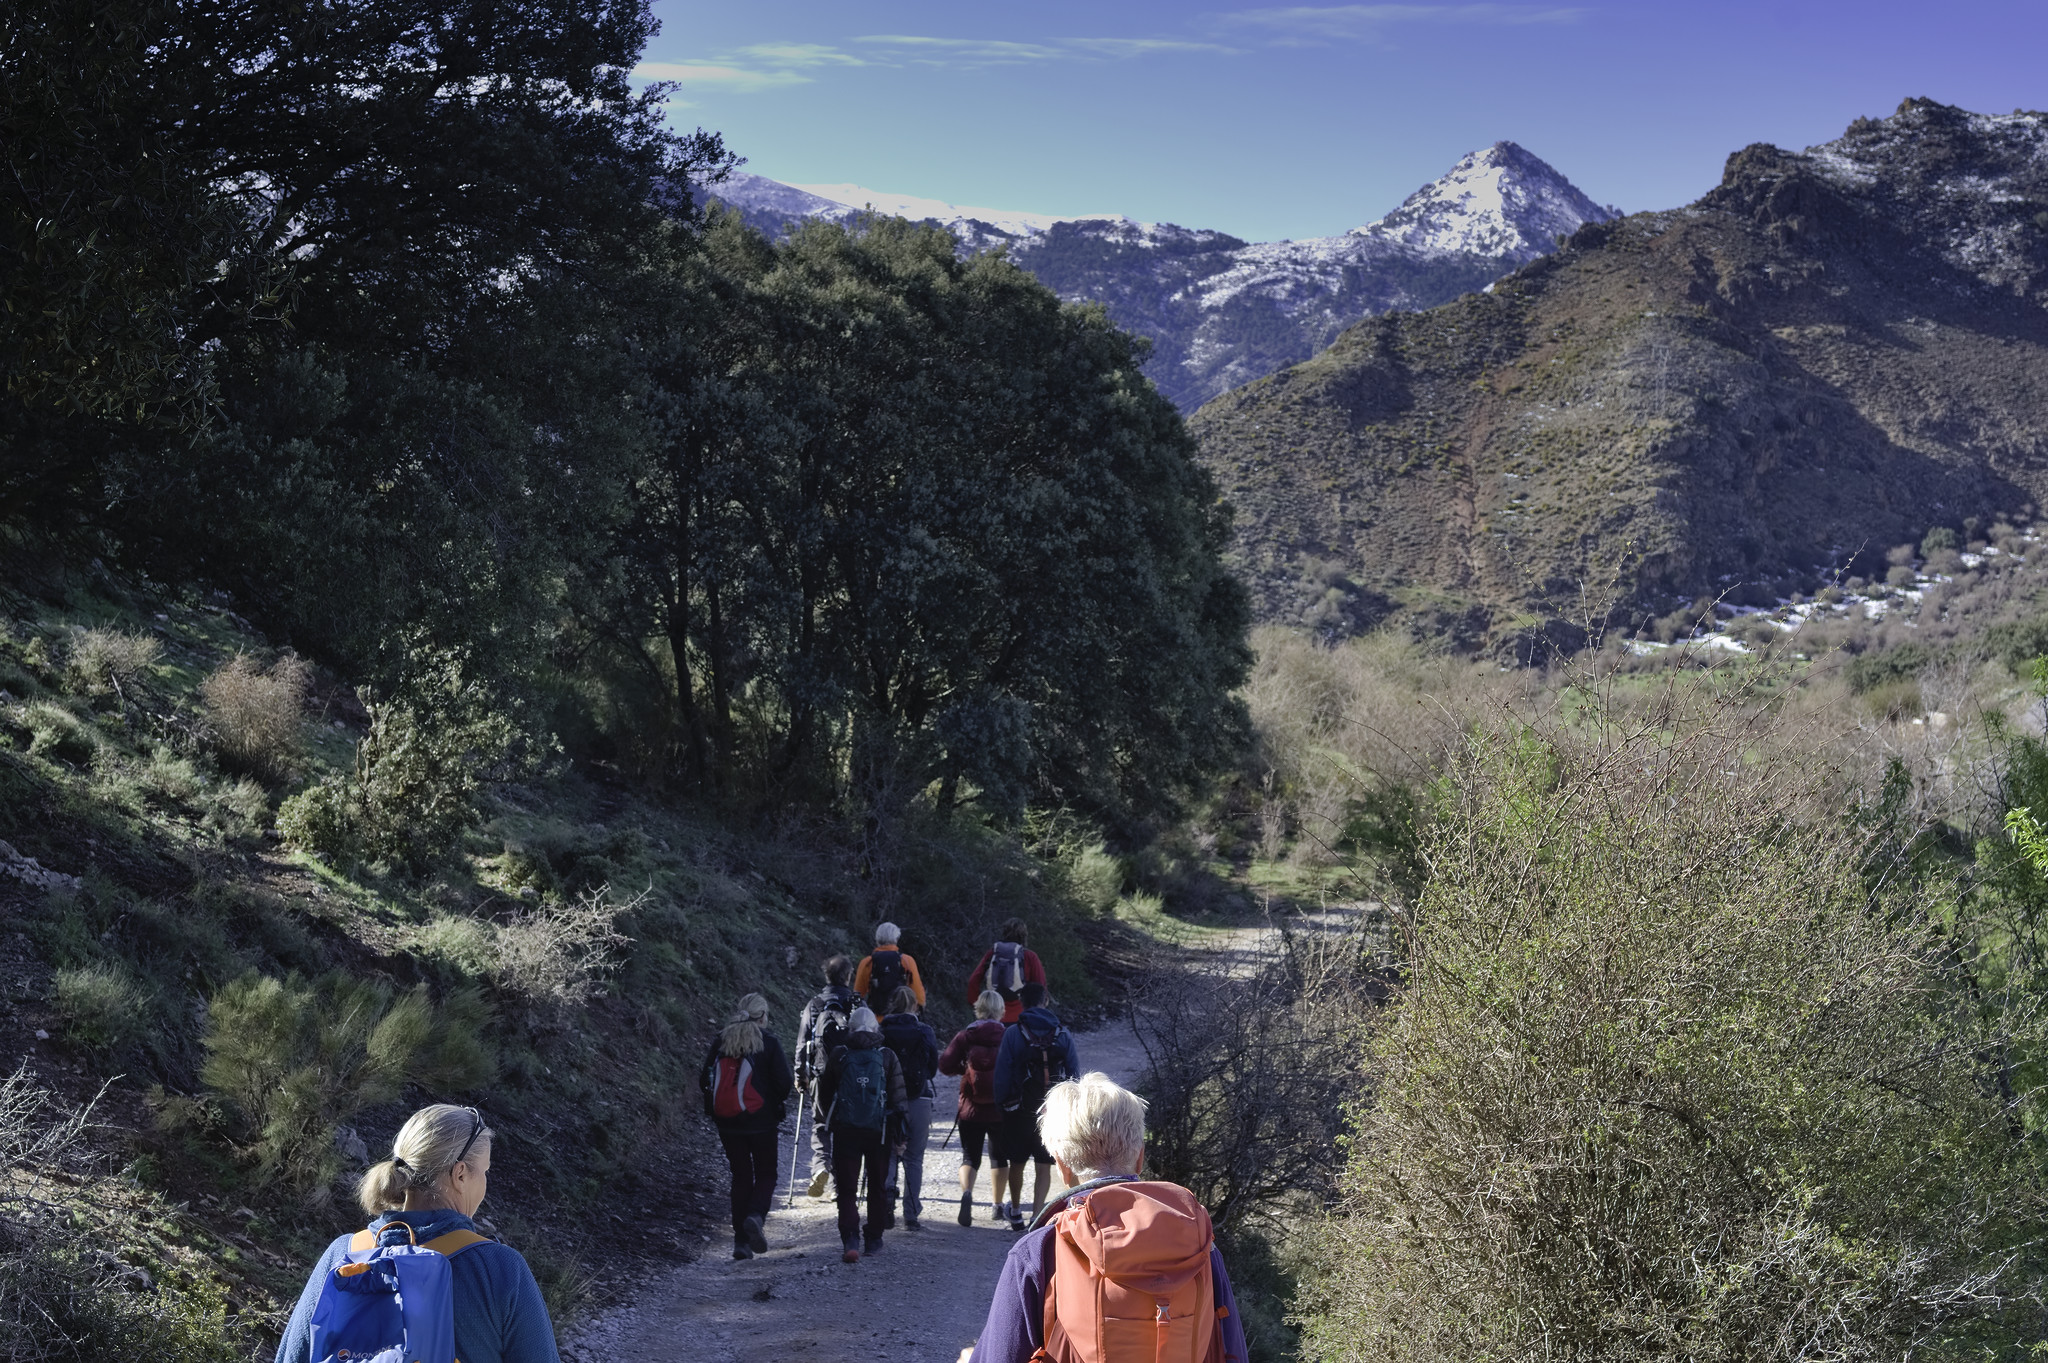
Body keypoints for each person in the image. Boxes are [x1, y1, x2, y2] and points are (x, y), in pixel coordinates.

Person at [965, 1074, 1249, 1363]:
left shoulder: (1038, 1251)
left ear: (1062, 1167)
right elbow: (1234, 1351)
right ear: (1139, 1157)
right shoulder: (1199, 1244)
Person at [276, 1104, 560, 1363]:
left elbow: (291, 1356)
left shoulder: (344, 1254)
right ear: (460, 1174)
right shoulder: (500, 1269)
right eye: (484, 1171)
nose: (485, 1182)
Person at [698, 992, 793, 1260]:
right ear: (763, 1016)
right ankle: (755, 1216)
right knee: (767, 1173)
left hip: (728, 1123)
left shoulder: (721, 1040)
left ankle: (740, 1242)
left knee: (740, 1177)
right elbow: (784, 1083)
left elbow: (704, 1079)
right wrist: (772, 1103)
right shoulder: (769, 1042)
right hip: (762, 1123)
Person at [817, 1006, 905, 1263]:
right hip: (879, 1132)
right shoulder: (887, 1056)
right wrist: (901, 1136)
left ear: (850, 1029)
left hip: (846, 1131)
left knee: (846, 1188)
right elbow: (899, 1098)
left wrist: (828, 1122)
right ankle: (874, 1240)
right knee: (877, 1185)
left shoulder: (840, 1054)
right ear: (876, 1029)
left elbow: (824, 1094)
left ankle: (850, 1240)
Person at [992, 982, 1079, 1230]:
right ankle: (1037, 1216)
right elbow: (1074, 1073)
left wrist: (1002, 1105)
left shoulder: (1013, 1033)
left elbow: (1002, 1074)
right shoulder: (1062, 1033)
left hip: (1018, 1109)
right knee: (1043, 1165)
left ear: (1022, 1003)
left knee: (1017, 1162)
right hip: (1053, 1110)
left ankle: (1017, 1212)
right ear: (1046, 1000)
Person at [938, 989, 1011, 1227]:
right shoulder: (1008, 1036)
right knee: (999, 1157)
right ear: (1001, 1010)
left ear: (978, 1008)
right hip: (1000, 1108)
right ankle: (997, 1205)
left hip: (970, 1108)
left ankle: (967, 1192)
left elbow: (945, 1064)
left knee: (970, 1156)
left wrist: (965, 1070)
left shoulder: (965, 1036)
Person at [796, 954, 859, 1198]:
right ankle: (838, 1187)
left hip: (820, 1075)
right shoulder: (855, 1004)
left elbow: (803, 1042)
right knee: (845, 1129)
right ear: (848, 976)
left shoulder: (815, 1004)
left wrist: (800, 1074)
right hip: (850, 1076)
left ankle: (821, 1166)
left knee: (821, 1125)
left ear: (827, 976)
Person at [879, 984, 940, 1230]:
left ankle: (886, 1202)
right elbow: (933, 1068)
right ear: (915, 1005)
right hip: (919, 1099)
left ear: (892, 1004)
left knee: (889, 1153)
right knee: (914, 1157)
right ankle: (911, 1215)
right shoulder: (924, 1031)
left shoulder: (882, 1029)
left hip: (889, 1100)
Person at [966, 918, 1046, 1024]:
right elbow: (1041, 987)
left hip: (993, 1015)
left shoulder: (992, 954)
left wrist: (978, 1006)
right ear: (1024, 936)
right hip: (1020, 1017)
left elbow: (973, 981)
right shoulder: (1030, 957)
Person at [853, 921, 927, 1013]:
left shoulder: (867, 962)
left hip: (876, 1019)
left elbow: (858, 995)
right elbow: (918, 994)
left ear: (877, 939)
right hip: (901, 1018)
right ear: (896, 939)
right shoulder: (907, 961)